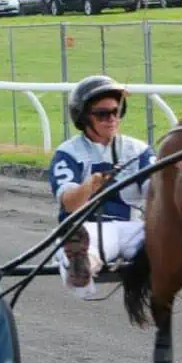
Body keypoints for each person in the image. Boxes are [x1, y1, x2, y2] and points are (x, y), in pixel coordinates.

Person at [48, 75, 155, 297]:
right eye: (102, 114)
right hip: (88, 229)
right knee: (87, 246)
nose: (111, 119)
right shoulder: (68, 153)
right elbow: (69, 204)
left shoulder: (139, 150)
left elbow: (154, 192)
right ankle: (81, 263)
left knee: (166, 238)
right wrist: (88, 187)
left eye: (115, 112)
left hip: (132, 228)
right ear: (84, 117)